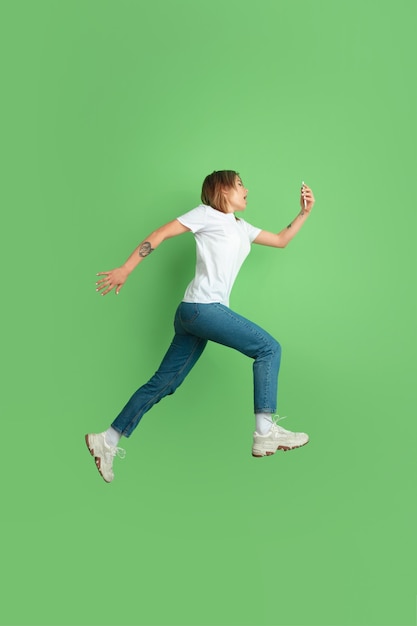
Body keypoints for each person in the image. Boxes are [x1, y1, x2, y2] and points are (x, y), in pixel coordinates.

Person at [86, 170, 315, 482]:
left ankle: (107, 440)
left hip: (195, 316)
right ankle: (264, 431)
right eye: (239, 184)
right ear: (222, 190)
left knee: (165, 383)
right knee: (269, 349)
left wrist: (304, 213)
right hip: (202, 309)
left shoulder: (240, 227)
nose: (246, 189)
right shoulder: (206, 215)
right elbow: (161, 233)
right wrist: (126, 268)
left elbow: (280, 240)